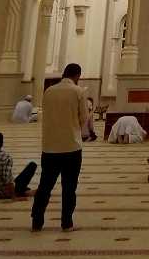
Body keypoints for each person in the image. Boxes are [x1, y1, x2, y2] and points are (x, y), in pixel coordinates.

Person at [30, 62, 87, 233]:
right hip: (71, 146)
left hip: (49, 147)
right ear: (77, 76)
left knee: (45, 185)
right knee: (69, 187)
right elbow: (83, 118)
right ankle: (67, 223)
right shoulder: (78, 92)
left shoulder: (49, 91)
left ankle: (37, 221)